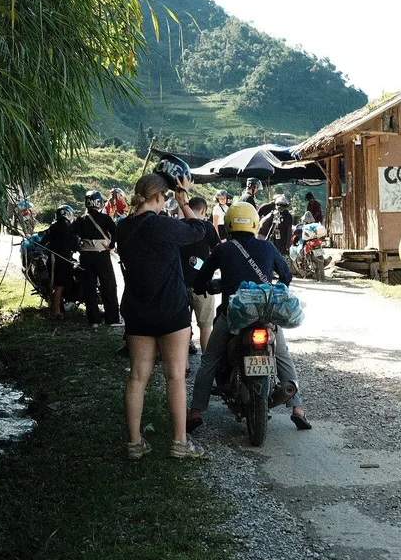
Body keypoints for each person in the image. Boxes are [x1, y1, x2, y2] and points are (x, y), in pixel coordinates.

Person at [187, 201, 312, 432]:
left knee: (210, 359)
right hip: (265, 314)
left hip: (233, 316)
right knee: (282, 355)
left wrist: (205, 286)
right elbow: (286, 276)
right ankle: (298, 409)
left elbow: (202, 278)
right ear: (254, 224)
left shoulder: (223, 249)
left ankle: (196, 411)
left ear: (229, 225)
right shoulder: (267, 247)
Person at [118, 158, 209, 460]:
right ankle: (180, 442)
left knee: (137, 377)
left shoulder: (122, 228)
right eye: (165, 197)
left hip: (137, 312)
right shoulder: (164, 226)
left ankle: (134, 443)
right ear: (159, 197)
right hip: (171, 312)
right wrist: (183, 200)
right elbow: (199, 229)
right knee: (175, 377)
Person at [180, 196, 221, 352]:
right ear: (203, 211)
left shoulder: (179, 226)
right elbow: (218, 250)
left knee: (182, 327)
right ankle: (206, 360)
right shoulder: (207, 227)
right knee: (205, 326)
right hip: (203, 285)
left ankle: (183, 361)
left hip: (180, 284)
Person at [76, 190, 120, 327]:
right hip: (102, 255)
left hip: (85, 256)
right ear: (99, 203)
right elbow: (115, 232)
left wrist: (78, 247)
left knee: (89, 287)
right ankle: (112, 319)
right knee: (108, 286)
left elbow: (70, 234)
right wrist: (111, 246)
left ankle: (93, 320)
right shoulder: (105, 218)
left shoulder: (81, 219)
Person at [40, 205, 79, 320]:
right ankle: (56, 313)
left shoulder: (52, 227)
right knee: (59, 286)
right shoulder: (70, 228)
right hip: (63, 260)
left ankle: (58, 309)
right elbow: (76, 245)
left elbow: (43, 243)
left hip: (53, 259)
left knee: (56, 285)